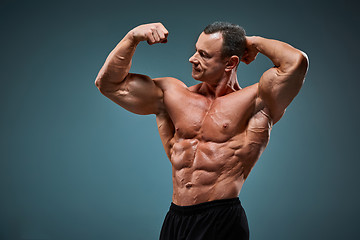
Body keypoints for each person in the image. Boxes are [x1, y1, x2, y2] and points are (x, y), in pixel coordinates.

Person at [95, 21, 308, 240]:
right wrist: (131, 38)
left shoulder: (257, 101)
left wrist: (251, 42)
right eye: (196, 50)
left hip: (221, 218)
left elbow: (296, 62)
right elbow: (108, 84)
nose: (192, 58)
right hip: (176, 218)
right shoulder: (172, 94)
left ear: (231, 62)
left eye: (204, 54)